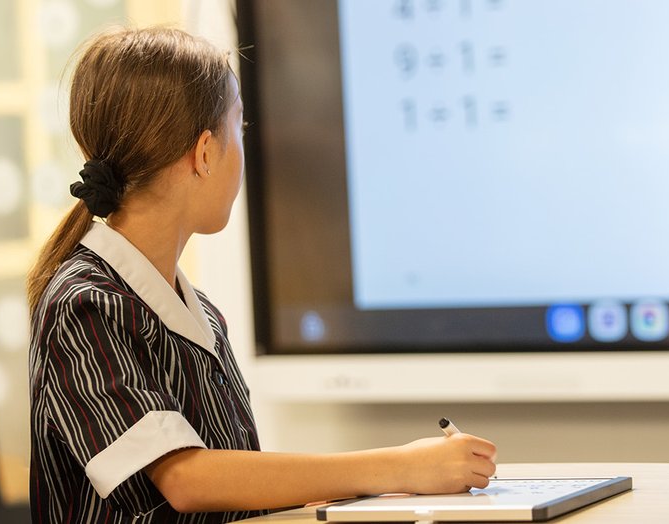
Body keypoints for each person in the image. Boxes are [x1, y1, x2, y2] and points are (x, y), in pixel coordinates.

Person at [27, 27, 497, 523]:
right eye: (240, 130)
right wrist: (399, 468)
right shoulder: (84, 303)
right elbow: (186, 480)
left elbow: (234, 488)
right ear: (205, 153)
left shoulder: (197, 312)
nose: (243, 149)